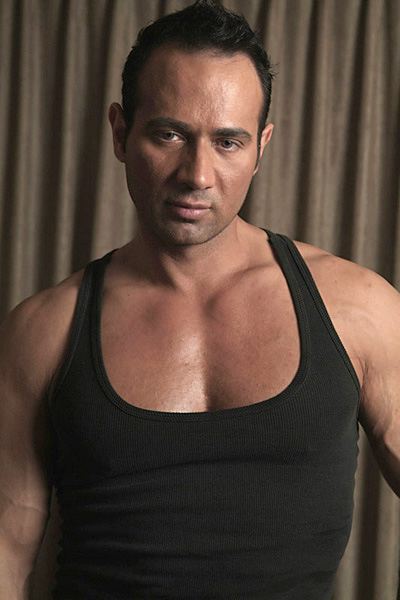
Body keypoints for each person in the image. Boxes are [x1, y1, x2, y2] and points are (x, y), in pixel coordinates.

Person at [0, 1, 399, 598]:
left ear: (262, 147)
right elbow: (5, 553)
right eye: (169, 134)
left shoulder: (359, 307)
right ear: (120, 132)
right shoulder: (42, 330)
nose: (198, 174)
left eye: (229, 142)